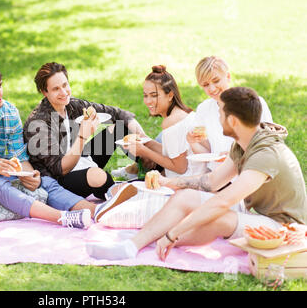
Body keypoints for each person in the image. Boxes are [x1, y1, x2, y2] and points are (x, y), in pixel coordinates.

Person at [86, 87, 306, 261]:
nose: (217, 119)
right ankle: (132, 245)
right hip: (259, 215)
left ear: (233, 121)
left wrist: (173, 233)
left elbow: (223, 201)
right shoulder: (244, 141)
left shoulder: (266, 154)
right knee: (186, 196)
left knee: (219, 218)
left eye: (221, 113)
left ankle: (159, 240)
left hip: (285, 228)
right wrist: (168, 183)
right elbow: (212, 181)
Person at [0, 63, 96, 229]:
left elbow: (19, 155)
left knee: (44, 182)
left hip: (4, 175)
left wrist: (28, 175)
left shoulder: (8, 111)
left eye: (0, 85)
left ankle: (96, 211)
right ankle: (62, 218)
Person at [23, 62, 148, 200]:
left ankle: (148, 168)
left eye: (65, 85)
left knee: (119, 127)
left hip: (81, 159)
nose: (64, 93)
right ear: (44, 92)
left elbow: (118, 114)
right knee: (98, 176)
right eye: (56, 89)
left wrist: (145, 144)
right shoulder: (38, 123)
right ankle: (127, 191)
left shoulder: (72, 106)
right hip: (60, 180)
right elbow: (60, 169)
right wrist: (83, 135)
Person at [117, 65, 208, 179]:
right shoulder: (184, 113)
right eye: (145, 95)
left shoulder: (170, 122)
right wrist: (147, 142)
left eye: (154, 95)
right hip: (198, 177)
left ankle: (131, 172)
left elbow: (180, 168)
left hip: (185, 183)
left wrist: (144, 151)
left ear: (170, 95)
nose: (148, 101)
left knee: (114, 191)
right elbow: (174, 154)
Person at [188, 56, 273, 171]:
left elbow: (266, 145)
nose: (212, 88)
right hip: (218, 174)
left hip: (247, 171)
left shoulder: (253, 103)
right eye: (205, 85)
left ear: (228, 77)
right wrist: (194, 143)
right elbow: (209, 153)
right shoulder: (204, 109)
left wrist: (234, 154)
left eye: (216, 81)